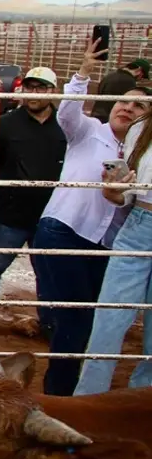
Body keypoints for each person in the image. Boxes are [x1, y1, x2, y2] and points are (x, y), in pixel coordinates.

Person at [32, 39, 147, 394]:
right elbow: (67, 112)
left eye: (139, 107)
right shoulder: (88, 131)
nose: (127, 108)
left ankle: (69, 390)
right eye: (124, 101)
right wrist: (83, 72)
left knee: (86, 319)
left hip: (104, 244)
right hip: (64, 230)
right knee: (76, 320)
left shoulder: (141, 153)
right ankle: (61, 396)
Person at [0, 66, 66, 344]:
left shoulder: (67, 126)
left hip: (50, 214)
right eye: (30, 87)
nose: (34, 94)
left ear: (53, 91)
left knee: (47, 271)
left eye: (42, 88)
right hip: (8, 213)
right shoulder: (6, 124)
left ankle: (49, 322)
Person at [73, 67, 152, 395]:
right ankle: (88, 405)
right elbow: (124, 195)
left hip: (137, 228)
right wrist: (113, 191)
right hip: (139, 222)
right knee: (107, 322)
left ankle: (143, 406)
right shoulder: (140, 128)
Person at [90, 58, 151, 122]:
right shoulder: (129, 81)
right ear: (139, 70)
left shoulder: (110, 76)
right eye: (142, 76)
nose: (140, 79)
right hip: (110, 119)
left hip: (96, 114)